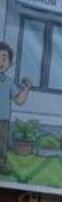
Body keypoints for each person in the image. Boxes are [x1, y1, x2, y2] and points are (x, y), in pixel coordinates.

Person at [0, 41, 30, 176]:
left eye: (4, 58)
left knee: (1, 145)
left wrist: (25, 89)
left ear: (10, 64)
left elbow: (19, 100)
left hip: (3, 121)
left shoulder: (9, 82)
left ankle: (1, 166)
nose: (0, 61)